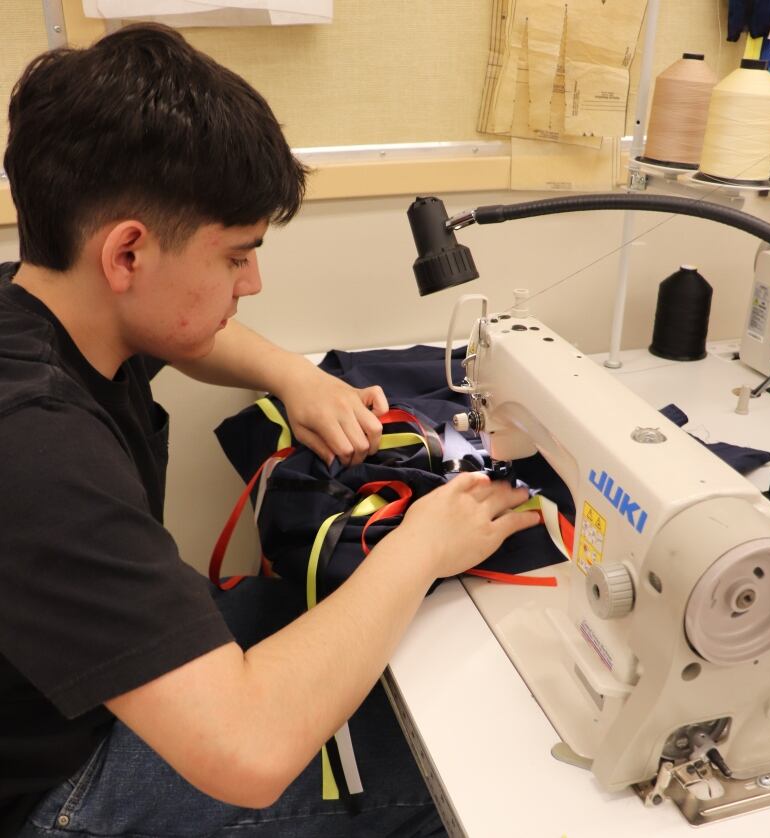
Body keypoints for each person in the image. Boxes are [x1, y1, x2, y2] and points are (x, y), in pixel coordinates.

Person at [0, 24, 538, 838]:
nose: (253, 282)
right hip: (60, 788)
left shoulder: (45, 306)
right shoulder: (40, 448)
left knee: (342, 630)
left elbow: (195, 334)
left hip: (65, 700)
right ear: (128, 255)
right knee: (474, 758)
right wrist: (421, 544)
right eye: (236, 257)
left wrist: (295, 377)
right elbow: (248, 753)